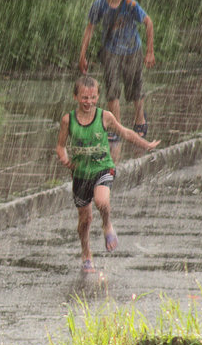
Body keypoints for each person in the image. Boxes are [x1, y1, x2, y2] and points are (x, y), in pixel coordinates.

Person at [56, 76, 159, 273]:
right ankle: (86, 254)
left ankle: (107, 225)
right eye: (85, 98)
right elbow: (60, 146)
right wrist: (64, 157)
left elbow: (125, 133)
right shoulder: (68, 120)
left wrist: (145, 144)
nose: (89, 102)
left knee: (102, 201)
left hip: (103, 167)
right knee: (85, 219)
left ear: (98, 97)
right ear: (75, 97)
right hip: (80, 174)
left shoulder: (105, 117)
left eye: (93, 97)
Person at [78, 0, 155, 161]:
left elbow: (148, 22)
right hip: (111, 51)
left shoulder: (130, 4)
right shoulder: (99, 6)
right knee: (112, 89)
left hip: (132, 51)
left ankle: (140, 118)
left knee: (135, 90)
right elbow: (89, 29)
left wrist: (149, 51)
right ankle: (117, 126)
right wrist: (82, 55)